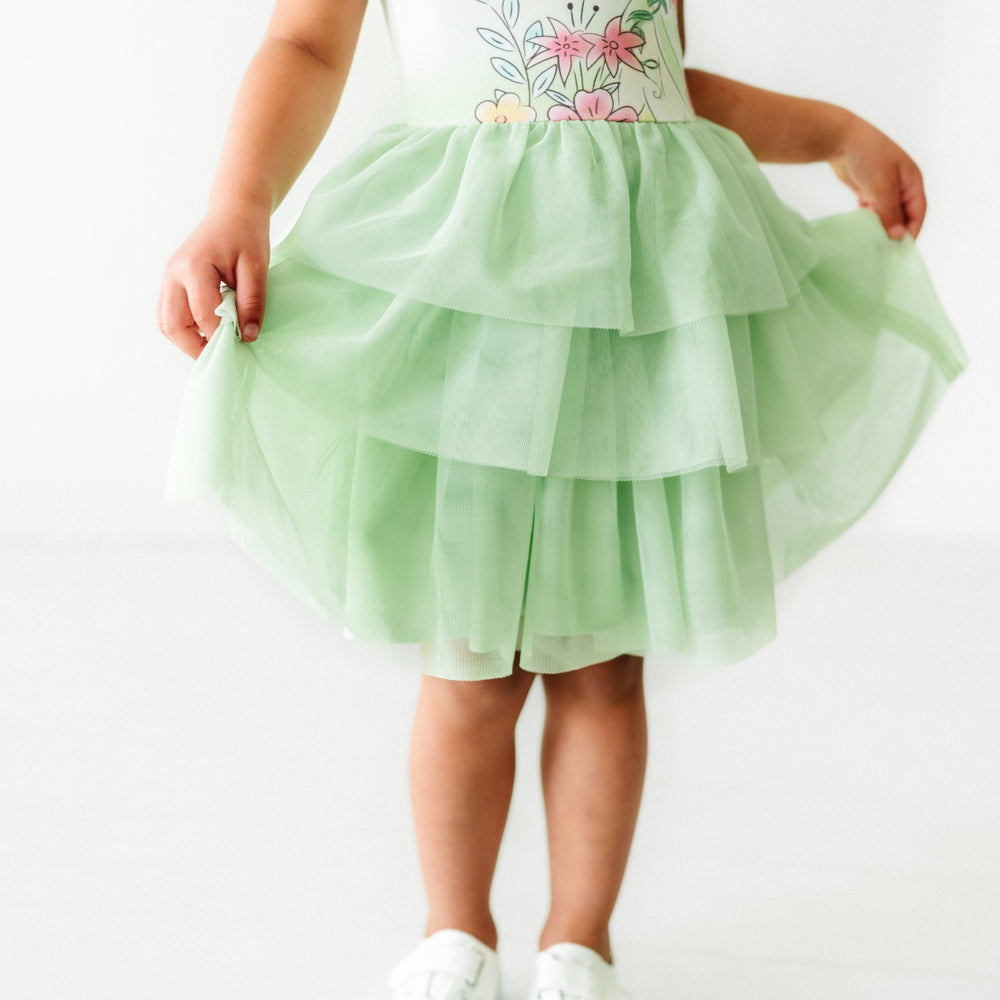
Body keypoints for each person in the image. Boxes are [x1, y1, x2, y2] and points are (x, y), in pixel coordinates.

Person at [158, 1, 968, 997]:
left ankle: (579, 945)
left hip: (632, 318)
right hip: (477, 309)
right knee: (471, 661)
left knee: (604, 664)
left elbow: (660, 84)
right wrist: (239, 201)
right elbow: (305, 44)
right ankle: (454, 937)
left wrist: (832, 132)